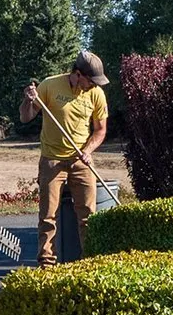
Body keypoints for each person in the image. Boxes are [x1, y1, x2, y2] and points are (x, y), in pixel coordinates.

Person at [19, 50, 109, 268]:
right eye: (91, 81)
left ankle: (90, 263)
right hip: (52, 160)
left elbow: (100, 130)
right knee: (48, 216)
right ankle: (47, 264)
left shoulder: (96, 94)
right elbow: (25, 117)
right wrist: (28, 100)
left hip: (81, 160)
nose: (94, 86)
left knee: (89, 216)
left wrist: (88, 151)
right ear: (77, 74)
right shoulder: (50, 85)